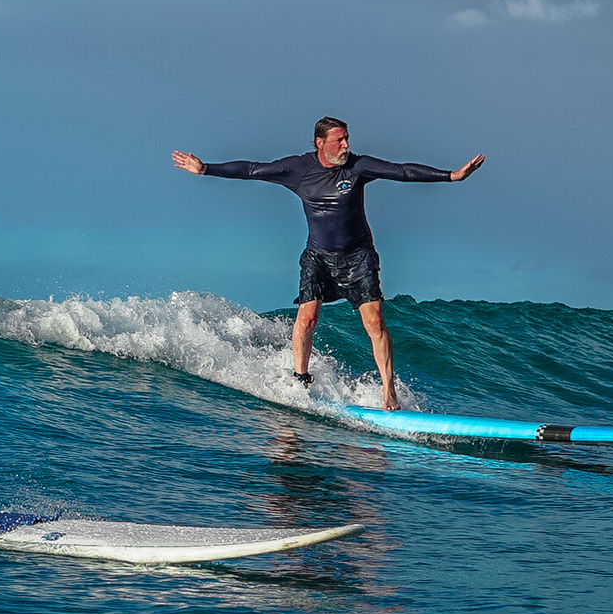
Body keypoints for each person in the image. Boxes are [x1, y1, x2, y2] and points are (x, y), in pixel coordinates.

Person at [172, 118, 483, 411]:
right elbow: (253, 169)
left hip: (358, 257)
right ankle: (300, 380)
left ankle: (388, 389)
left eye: (347, 138)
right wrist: (205, 169)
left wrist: (451, 176)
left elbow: (400, 171)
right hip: (318, 256)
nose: (346, 145)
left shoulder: (359, 166)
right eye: (339, 140)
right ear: (320, 143)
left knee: (374, 322)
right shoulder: (297, 168)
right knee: (306, 319)